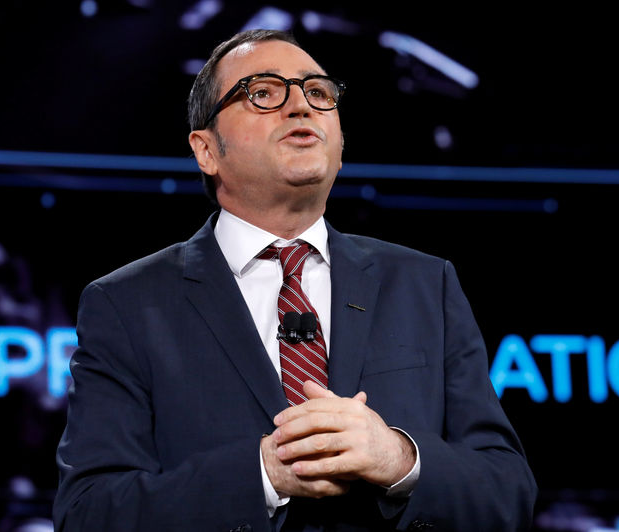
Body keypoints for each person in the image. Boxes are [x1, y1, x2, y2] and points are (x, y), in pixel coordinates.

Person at [53, 29, 537, 531]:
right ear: (206, 150)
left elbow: (507, 492)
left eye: (319, 93)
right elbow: (88, 513)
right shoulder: (127, 304)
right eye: (262, 93)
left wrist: (398, 460)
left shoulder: (425, 284)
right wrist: (263, 476)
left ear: (341, 145)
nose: (301, 107)